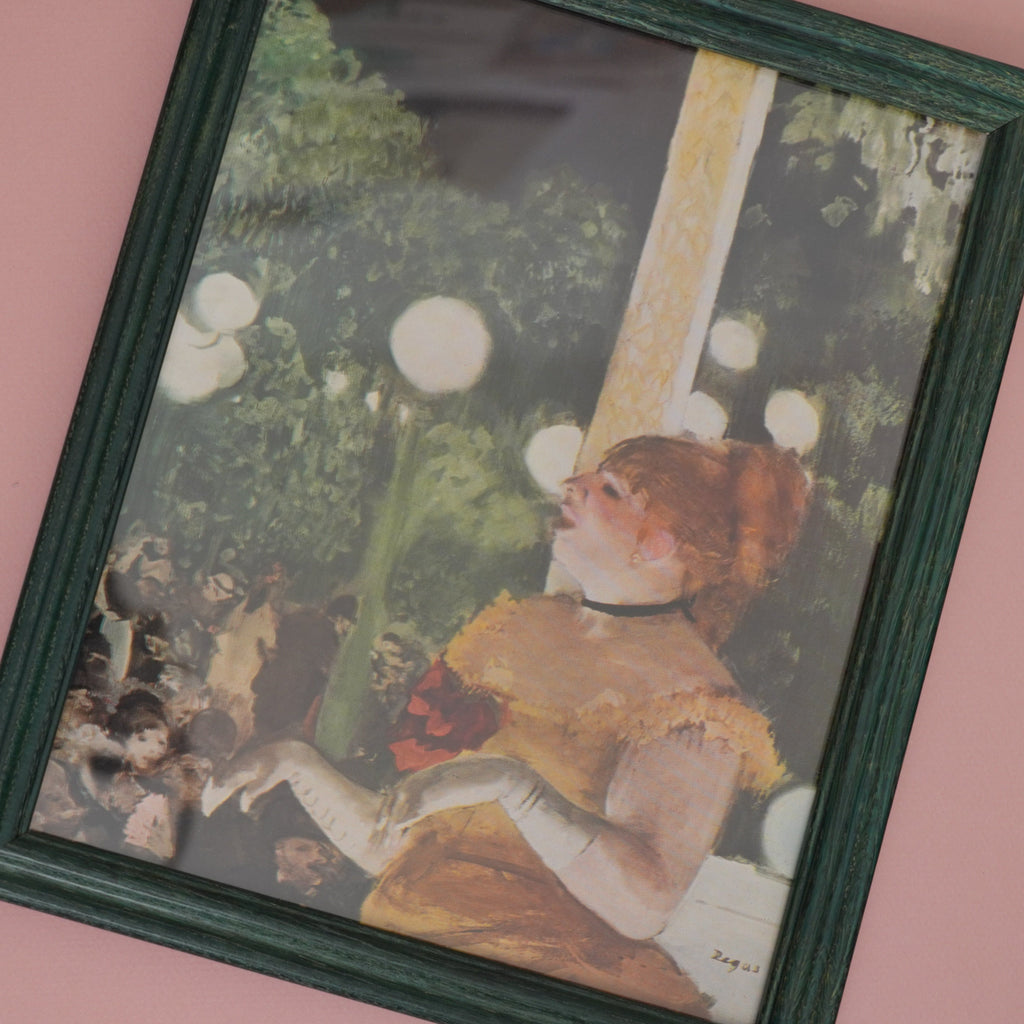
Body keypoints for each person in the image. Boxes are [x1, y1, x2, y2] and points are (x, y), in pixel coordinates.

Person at [202, 433, 809, 1013]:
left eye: (611, 489)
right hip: (403, 954)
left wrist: (514, 786)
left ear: (658, 542)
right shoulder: (522, 628)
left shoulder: (694, 696)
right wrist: (298, 763)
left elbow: (643, 906)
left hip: (539, 987)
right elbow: (407, 845)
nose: (572, 484)